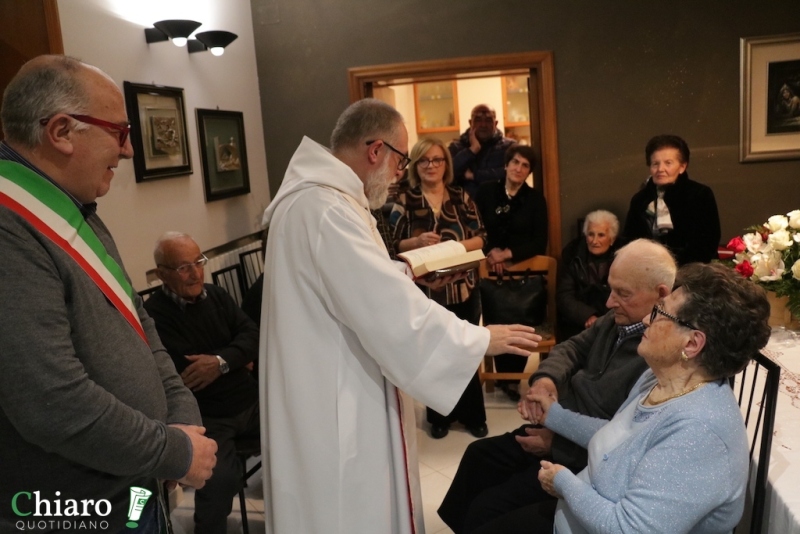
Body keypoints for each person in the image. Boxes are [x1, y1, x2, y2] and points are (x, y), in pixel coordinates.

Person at [259, 98, 541, 534]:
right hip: (334, 392)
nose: (399, 172)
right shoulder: (326, 209)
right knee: (343, 506)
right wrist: (481, 339)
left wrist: (404, 269)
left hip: (325, 373)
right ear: (376, 151)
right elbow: (382, 307)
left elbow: (353, 281)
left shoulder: (323, 200)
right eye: (401, 159)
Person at [0, 55, 216, 531]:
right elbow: (50, 400)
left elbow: (143, 330)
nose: (128, 151)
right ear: (61, 131)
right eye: (118, 132)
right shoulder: (9, 225)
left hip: (132, 487)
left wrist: (180, 417)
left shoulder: (80, 210)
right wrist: (172, 449)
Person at [438, 239, 676, 534]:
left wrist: (557, 443)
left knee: (487, 508)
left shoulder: (659, 356)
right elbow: (572, 348)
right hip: (558, 427)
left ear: (661, 295)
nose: (608, 302)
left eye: (622, 293)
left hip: (581, 458)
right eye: (610, 288)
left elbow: (622, 439)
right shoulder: (618, 320)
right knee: (478, 457)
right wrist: (546, 381)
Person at [531, 262, 770, 533]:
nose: (646, 319)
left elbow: (629, 529)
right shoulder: (659, 377)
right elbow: (621, 438)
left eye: (660, 312)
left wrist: (563, 482)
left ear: (692, 344)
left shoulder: (699, 434)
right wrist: (553, 415)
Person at [144, 232, 260, 534]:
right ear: (162, 275)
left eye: (199, 261)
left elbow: (252, 333)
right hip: (209, 418)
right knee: (218, 480)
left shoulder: (216, 295)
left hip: (251, 402)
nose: (196, 272)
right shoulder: (155, 315)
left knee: (302, 441)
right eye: (184, 267)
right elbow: (187, 373)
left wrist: (220, 363)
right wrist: (237, 358)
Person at [392, 137, 488, 439]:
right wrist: (416, 242)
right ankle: (440, 417)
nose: (431, 166)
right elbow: (392, 244)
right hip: (425, 294)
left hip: (463, 288)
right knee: (436, 354)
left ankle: (473, 416)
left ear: (446, 164)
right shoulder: (404, 199)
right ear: (415, 165)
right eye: (424, 160)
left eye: (437, 160)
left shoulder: (461, 197)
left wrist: (454, 247)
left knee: (467, 350)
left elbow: (481, 237)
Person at [475, 143, 548, 401]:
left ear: (529, 172)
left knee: (519, 320)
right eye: (515, 162)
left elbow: (540, 242)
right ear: (506, 165)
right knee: (497, 318)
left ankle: (514, 379)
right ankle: (502, 379)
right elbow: (476, 229)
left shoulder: (535, 199)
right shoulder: (485, 193)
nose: (519, 168)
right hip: (489, 275)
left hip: (523, 277)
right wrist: (490, 253)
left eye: (525, 165)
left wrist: (505, 255)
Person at [622, 134, 720, 265]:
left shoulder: (700, 194)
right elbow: (630, 242)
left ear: (682, 167)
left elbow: (706, 244)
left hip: (692, 272)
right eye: (655, 163)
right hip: (648, 270)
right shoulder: (640, 200)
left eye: (668, 163)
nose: (660, 169)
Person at [557, 210, 622, 340]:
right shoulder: (572, 253)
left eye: (601, 235)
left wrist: (605, 321)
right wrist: (587, 316)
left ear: (612, 239)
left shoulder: (623, 256)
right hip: (577, 322)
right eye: (591, 234)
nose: (594, 241)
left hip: (613, 320)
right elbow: (564, 295)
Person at [448, 104, 515, 200]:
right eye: (478, 120)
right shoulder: (456, 147)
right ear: (471, 123)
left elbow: (512, 173)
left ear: (495, 124)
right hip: (464, 207)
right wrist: (472, 150)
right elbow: (447, 174)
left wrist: (474, 175)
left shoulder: (509, 147)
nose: (483, 125)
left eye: (488, 120)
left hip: (499, 206)